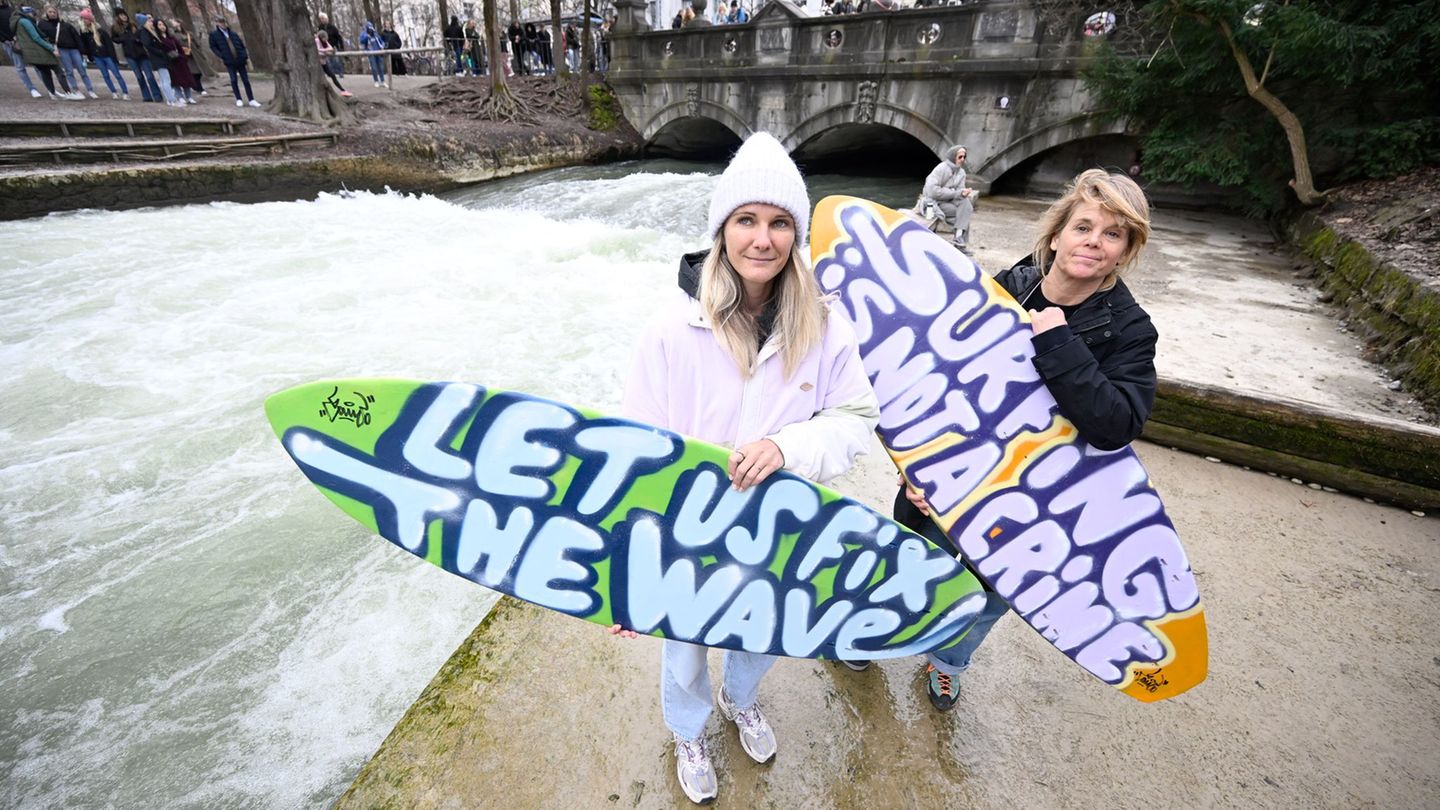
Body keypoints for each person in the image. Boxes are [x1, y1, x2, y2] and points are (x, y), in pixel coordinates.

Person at [612, 132, 880, 805]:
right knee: (684, 639)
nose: (762, 239)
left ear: (797, 233)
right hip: (688, 527)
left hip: (778, 523)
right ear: (721, 229)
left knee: (763, 624)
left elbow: (856, 417)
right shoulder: (670, 329)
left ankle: (740, 697)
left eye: (780, 223)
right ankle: (689, 730)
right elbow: (636, 447)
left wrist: (789, 447)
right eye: (746, 220)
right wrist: (629, 565)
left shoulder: (827, 326)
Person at [887, 168, 1159, 712]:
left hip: (1039, 500)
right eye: (1083, 227)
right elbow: (936, 379)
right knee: (911, 564)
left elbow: (1118, 425)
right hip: (957, 476)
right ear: (1056, 235)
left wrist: (1057, 340)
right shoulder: (1006, 287)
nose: (1094, 242)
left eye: (1112, 234)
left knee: (991, 592)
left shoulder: (1130, 329)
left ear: (1125, 251)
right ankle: (873, 633)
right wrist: (911, 465)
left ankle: (947, 662)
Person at [920, 144, 977, 251]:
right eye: (960, 157)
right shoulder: (941, 169)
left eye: (964, 157)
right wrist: (956, 193)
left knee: (966, 207)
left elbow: (959, 192)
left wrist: (963, 193)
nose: (962, 159)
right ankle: (960, 243)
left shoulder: (961, 173)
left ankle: (958, 238)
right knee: (963, 215)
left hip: (948, 202)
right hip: (934, 202)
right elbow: (932, 191)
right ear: (953, 156)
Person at [12, 5, 75, 99]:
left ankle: (52, 93)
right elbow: (36, 38)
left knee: (45, 73)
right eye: (32, 13)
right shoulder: (25, 21)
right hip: (40, 50)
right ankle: (68, 93)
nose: (33, 15)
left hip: (32, 53)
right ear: (28, 13)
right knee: (58, 70)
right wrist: (51, 48)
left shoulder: (16, 22)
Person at [41, 5, 94, 98]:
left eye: (54, 12)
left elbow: (77, 38)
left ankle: (90, 89)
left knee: (82, 70)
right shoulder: (44, 25)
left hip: (74, 49)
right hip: (62, 50)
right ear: (46, 13)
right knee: (69, 71)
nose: (53, 14)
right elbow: (44, 38)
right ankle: (75, 90)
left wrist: (82, 51)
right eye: (50, 12)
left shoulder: (66, 25)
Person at [208, 16, 259, 107]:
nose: (222, 24)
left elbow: (241, 45)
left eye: (223, 22)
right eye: (220, 22)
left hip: (240, 60)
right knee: (233, 80)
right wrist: (222, 55)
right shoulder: (214, 35)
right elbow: (213, 47)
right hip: (229, 61)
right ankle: (238, 99)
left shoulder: (233, 33)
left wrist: (244, 54)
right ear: (217, 23)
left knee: (246, 80)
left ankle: (251, 99)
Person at [78, 8, 127, 99]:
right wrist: (89, 56)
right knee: (105, 75)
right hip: (97, 56)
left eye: (85, 18)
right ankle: (113, 92)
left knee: (117, 74)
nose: (84, 21)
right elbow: (85, 45)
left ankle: (125, 92)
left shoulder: (100, 31)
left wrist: (113, 58)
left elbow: (109, 45)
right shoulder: (84, 32)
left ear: (90, 19)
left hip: (107, 55)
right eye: (83, 19)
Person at [113, 8, 158, 102]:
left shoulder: (133, 24)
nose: (124, 17)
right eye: (121, 15)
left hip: (141, 52)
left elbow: (143, 34)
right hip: (129, 55)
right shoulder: (116, 28)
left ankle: (157, 95)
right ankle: (146, 96)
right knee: (139, 77)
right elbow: (114, 38)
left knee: (149, 76)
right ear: (118, 17)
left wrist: (138, 39)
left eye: (124, 14)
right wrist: (123, 39)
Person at [1, 0, 43, 98]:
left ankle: (49, 87)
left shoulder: (12, 10)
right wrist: (5, 40)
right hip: (8, 43)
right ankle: (32, 89)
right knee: (20, 67)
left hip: (22, 40)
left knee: (36, 64)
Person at [136, 13, 178, 104]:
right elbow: (148, 45)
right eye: (149, 21)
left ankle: (169, 99)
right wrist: (160, 52)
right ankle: (172, 99)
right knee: (166, 79)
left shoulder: (150, 32)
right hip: (158, 59)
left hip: (159, 58)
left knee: (164, 79)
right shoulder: (145, 32)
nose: (151, 22)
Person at [158, 18, 195, 104]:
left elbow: (179, 47)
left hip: (179, 59)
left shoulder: (171, 37)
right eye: (160, 25)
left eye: (163, 24)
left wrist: (183, 57)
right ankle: (179, 96)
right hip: (170, 61)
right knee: (175, 80)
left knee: (186, 78)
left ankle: (189, 96)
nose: (162, 27)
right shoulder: (159, 39)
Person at [168, 17, 205, 96]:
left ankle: (196, 86)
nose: (173, 23)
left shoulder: (189, 33)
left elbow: (197, 44)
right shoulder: (173, 35)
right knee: (191, 72)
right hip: (183, 55)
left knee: (198, 72)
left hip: (193, 55)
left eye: (174, 22)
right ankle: (198, 88)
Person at [313, 29, 351, 96]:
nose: (326, 40)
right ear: (321, 37)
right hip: (318, 63)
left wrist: (328, 51)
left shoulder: (325, 42)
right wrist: (326, 51)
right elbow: (317, 49)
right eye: (325, 38)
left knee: (332, 75)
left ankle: (343, 91)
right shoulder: (317, 40)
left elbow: (330, 48)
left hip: (323, 62)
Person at [359, 20, 385, 85]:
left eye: (371, 28)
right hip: (371, 53)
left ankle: (382, 81)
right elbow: (361, 41)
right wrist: (367, 37)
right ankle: (376, 81)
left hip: (378, 52)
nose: (371, 30)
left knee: (381, 68)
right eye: (369, 28)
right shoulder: (363, 34)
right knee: (374, 68)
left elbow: (381, 41)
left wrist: (382, 46)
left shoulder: (375, 34)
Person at [317, 12, 343, 76]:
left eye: (323, 18)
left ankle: (340, 72)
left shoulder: (332, 27)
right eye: (321, 19)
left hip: (333, 45)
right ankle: (332, 73)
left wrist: (341, 46)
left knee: (335, 60)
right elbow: (319, 36)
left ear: (326, 19)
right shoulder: (320, 27)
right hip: (325, 46)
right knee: (328, 60)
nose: (322, 20)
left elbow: (338, 37)